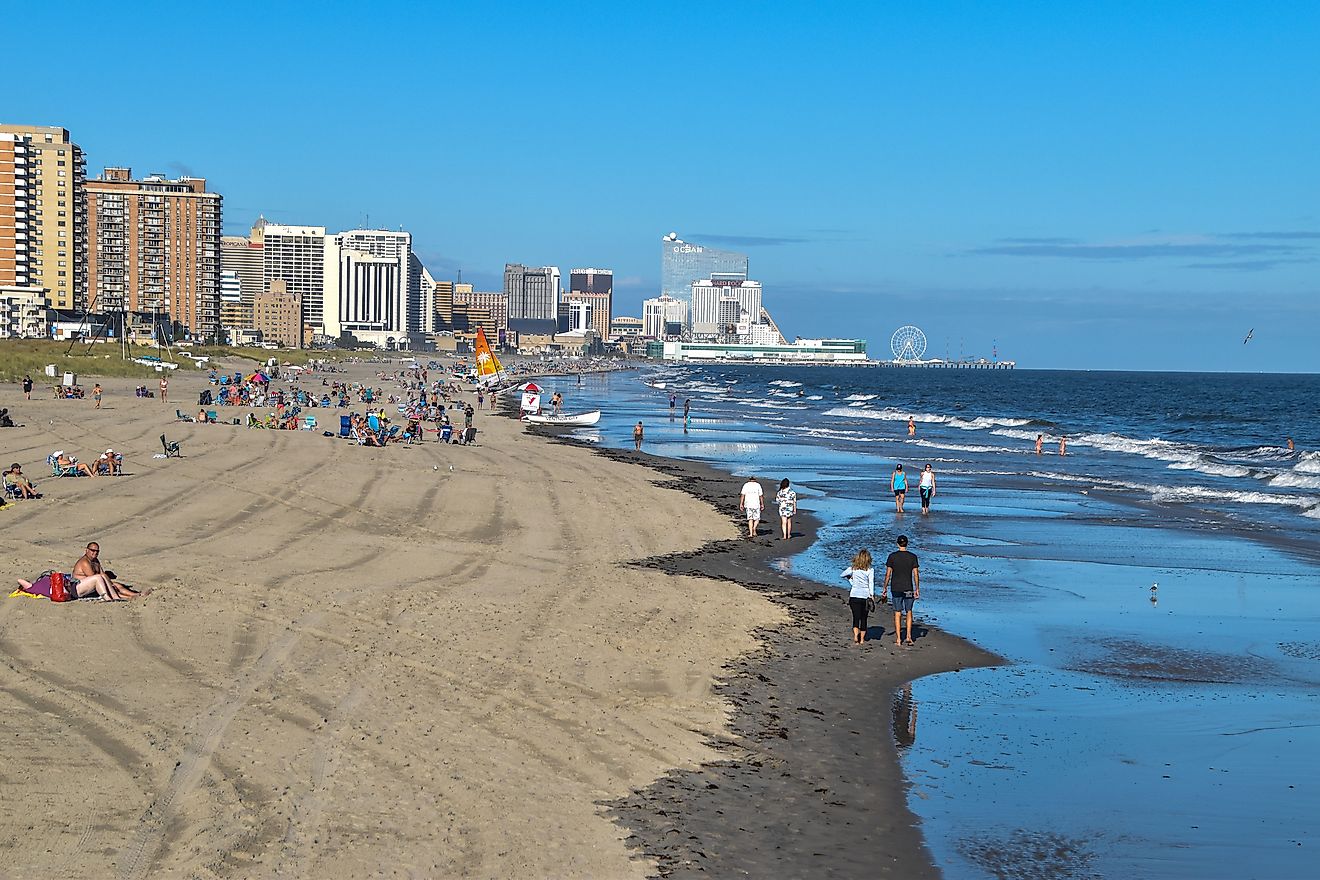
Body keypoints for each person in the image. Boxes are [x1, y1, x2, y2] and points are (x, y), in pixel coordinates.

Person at [883, 535, 920, 646]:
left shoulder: (892, 556)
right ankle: (909, 636)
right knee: (909, 611)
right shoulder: (912, 557)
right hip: (908, 587)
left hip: (896, 588)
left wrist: (885, 587)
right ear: (907, 543)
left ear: (897, 544)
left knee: (897, 612)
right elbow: (916, 574)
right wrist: (917, 588)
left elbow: (888, 574)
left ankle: (899, 639)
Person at [73, 541, 139, 599]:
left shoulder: (95, 561)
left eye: (97, 551)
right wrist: (109, 584)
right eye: (93, 550)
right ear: (87, 550)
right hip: (79, 588)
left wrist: (110, 583)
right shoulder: (84, 562)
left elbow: (102, 574)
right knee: (106, 585)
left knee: (116, 585)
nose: (95, 553)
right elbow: (92, 576)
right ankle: (126, 597)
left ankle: (136, 594)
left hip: (92, 585)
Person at [841, 549, 876, 645]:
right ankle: (862, 640)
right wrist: (872, 595)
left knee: (856, 617)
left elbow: (842, 574)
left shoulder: (853, 569)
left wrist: (850, 579)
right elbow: (871, 583)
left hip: (854, 595)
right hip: (865, 596)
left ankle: (856, 635)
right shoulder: (870, 570)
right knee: (864, 618)